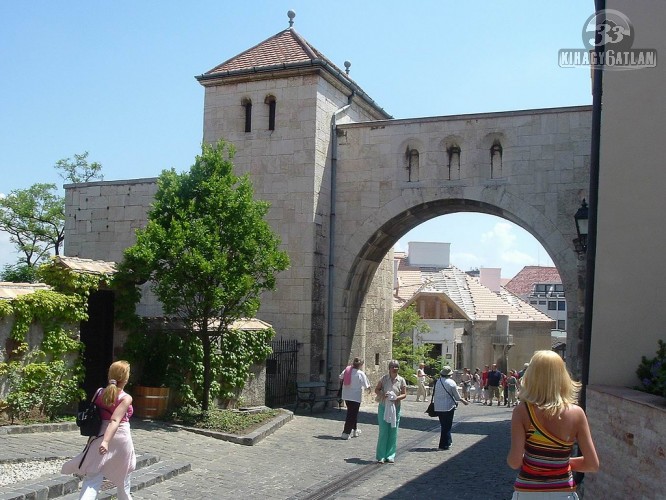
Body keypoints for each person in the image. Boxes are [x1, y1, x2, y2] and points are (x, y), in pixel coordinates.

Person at [507, 350, 599, 498]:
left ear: (531, 376)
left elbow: (514, 462)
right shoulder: (577, 413)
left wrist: (537, 462)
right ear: (562, 376)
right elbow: (592, 464)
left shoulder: (522, 411)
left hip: (529, 492)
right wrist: (559, 462)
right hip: (563, 492)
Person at [62, 360, 136, 500]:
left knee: (93, 476)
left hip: (99, 434)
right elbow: (115, 420)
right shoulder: (126, 398)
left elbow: (96, 413)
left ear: (110, 375)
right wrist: (107, 442)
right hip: (121, 438)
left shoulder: (99, 392)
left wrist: (104, 441)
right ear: (126, 378)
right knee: (124, 477)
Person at [374, 359, 407, 464]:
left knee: (393, 431)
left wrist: (396, 398)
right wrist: (383, 395)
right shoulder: (384, 379)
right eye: (393, 366)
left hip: (395, 408)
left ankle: (390, 455)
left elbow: (404, 394)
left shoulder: (401, 380)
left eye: (396, 366)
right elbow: (377, 389)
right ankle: (381, 456)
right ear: (389, 368)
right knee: (383, 431)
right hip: (384, 407)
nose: (395, 368)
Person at [433, 366, 469, 450]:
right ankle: (443, 445)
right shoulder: (451, 382)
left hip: (438, 407)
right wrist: (464, 401)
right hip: (448, 407)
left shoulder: (438, 381)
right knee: (447, 426)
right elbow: (457, 396)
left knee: (443, 425)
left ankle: (448, 442)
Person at [338, 357, 371, 439]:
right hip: (355, 397)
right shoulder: (360, 373)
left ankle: (355, 430)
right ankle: (346, 433)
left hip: (346, 395)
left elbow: (340, 377)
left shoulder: (347, 370)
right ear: (361, 365)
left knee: (352, 413)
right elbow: (366, 385)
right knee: (351, 415)